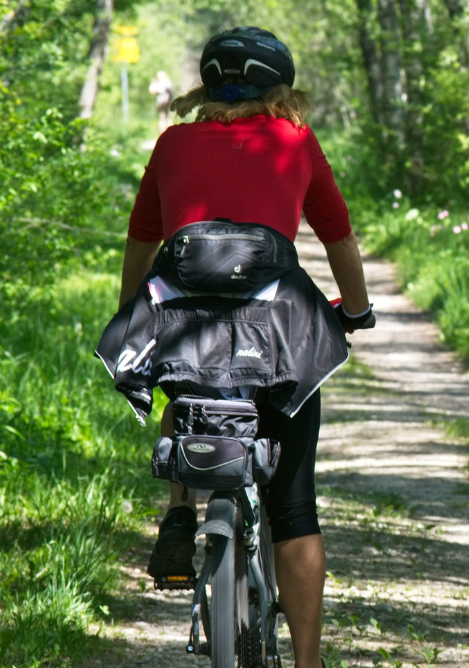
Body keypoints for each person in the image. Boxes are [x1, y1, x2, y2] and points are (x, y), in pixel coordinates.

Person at [116, 27, 372, 668]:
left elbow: (143, 243)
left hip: (185, 325)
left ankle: (179, 505)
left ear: (207, 85)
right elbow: (337, 237)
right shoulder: (295, 141)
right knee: (293, 504)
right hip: (278, 334)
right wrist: (357, 310)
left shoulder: (173, 143)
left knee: (183, 379)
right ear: (280, 89)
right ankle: (308, 663)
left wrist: (131, 315)